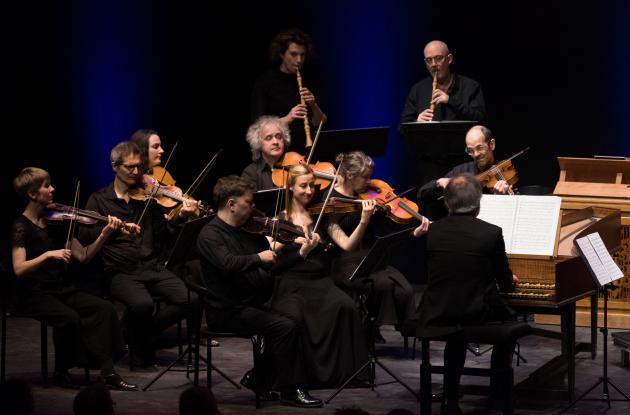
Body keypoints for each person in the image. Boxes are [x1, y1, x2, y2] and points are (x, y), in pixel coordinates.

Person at [196, 175, 322, 408]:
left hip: (250, 303)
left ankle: (259, 380)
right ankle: (290, 389)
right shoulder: (210, 234)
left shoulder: (248, 231)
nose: (254, 208)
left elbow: (273, 264)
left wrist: (301, 253)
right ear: (231, 204)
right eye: (249, 202)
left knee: (295, 318)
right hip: (227, 310)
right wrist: (258, 258)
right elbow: (228, 263)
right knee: (284, 327)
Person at [10, 167, 137, 390]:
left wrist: (104, 234)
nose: (52, 189)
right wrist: (48, 254)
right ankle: (62, 372)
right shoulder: (20, 226)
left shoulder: (56, 223)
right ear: (32, 194)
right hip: (32, 294)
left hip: (59, 289)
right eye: (46, 186)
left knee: (104, 308)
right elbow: (19, 268)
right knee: (69, 318)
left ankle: (108, 371)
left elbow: (84, 256)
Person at [79, 141, 197, 371]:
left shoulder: (148, 199)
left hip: (151, 267)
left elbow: (165, 234)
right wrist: (108, 230)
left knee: (190, 300)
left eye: (139, 167)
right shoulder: (99, 200)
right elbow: (85, 237)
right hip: (120, 272)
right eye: (130, 167)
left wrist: (182, 215)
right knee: (143, 305)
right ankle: (140, 349)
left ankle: (136, 333)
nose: (136, 172)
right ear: (114, 166)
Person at [415, 173, 517, 414]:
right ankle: (497, 394)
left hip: (438, 313)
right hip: (475, 314)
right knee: (509, 323)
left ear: (447, 203)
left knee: (456, 333)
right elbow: (505, 283)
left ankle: (451, 400)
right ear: (479, 203)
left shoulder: (434, 231)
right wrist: (510, 280)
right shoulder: (491, 233)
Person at [270, 164, 373, 387]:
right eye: (303, 186)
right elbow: (275, 264)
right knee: (297, 317)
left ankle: (345, 375)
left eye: (312, 186)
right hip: (292, 283)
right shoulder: (281, 218)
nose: (309, 191)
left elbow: (347, 244)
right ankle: (303, 377)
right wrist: (301, 252)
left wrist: (364, 220)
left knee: (345, 306)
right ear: (290, 187)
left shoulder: (324, 213)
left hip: (320, 281)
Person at [328, 151, 430, 341]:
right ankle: (369, 327)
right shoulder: (332, 200)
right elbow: (344, 243)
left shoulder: (367, 195)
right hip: (344, 262)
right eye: (365, 177)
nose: (370, 182)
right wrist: (364, 220)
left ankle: (409, 328)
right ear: (349, 176)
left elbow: (387, 228)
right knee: (383, 285)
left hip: (371, 257)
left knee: (405, 290)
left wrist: (413, 232)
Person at [250, 28, 327, 153]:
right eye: (293, 54)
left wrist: (313, 105)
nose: (299, 60)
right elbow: (257, 126)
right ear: (282, 54)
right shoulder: (265, 82)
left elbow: (320, 123)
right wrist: (288, 118)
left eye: (302, 55)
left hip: (307, 151)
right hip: (277, 152)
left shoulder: (309, 80)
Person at [418, 125, 512, 220]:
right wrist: (439, 182)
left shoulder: (507, 170)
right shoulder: (462, 171)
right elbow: (422, 195)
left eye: (479, 148)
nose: (475, 154)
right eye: (470, 150)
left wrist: (502, 200)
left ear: (492, 144)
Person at [399, 40, 486, 125]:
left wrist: (450, 101)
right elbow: (401, 129)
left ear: (449, 59)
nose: (433, 64)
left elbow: (481, 120)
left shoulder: (470, 86)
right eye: (429, 60)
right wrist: (416, 122)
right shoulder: (417, 90)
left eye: (438, 58)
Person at [241, 115, 291, 190]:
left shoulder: (293, 166)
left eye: (279, 136)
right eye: (269, 138)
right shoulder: (251, 173)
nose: (275, 142)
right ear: (258, 143)